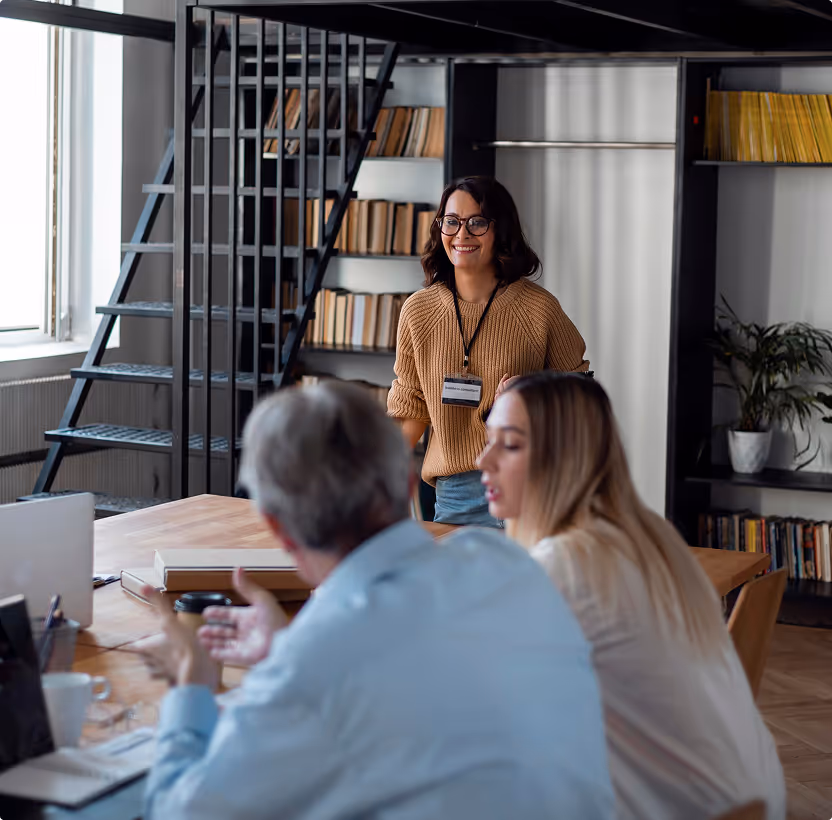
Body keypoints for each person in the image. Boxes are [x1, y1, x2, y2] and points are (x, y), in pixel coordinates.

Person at [141, 381, 615, 820]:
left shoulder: (311, 666)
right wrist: (288, 648)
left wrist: (193, 684)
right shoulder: (507, 565)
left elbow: (180, 811)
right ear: (410, 486)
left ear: (277, 528)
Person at [478, 371, 787, 820]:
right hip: (750, 800)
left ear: (565, 458)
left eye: (509, 445)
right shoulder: (649, 537)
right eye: (489, 439)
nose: (483, 461)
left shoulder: (564, 564)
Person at [387, 176, 589, 528]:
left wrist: (531, 395)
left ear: (501, 231)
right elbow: (412, 403)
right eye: (451, 221)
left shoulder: (538, 308)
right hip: (456, 493)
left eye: (477, 222)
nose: (461, 234)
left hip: (531, 487)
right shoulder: (418, 311)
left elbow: (582, 394)